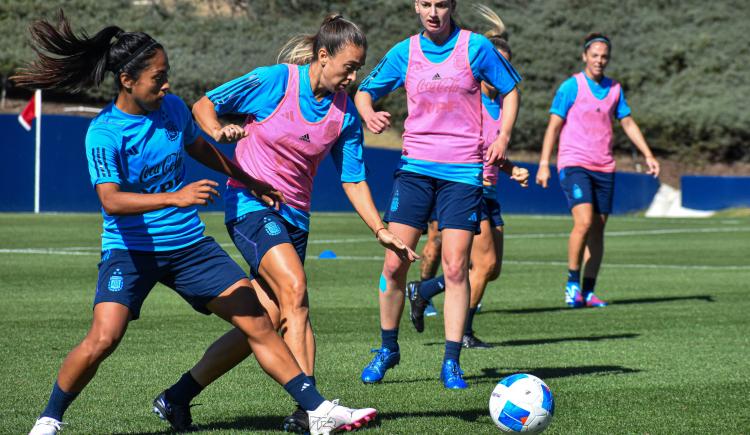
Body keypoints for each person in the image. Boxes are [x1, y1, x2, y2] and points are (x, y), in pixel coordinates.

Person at [14, 12, 376, 435]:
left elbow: (202, 150)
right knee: (103, 339)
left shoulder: (171, 109)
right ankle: (49, 418)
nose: (166, 84)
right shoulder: (105, 132)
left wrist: (250, 180)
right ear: (128, 81)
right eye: (158, 77)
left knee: (259, 320)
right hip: (131, 252)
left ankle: (316, 410)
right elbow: (110, 201)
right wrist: (176, 196)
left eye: (167, 74)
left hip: (189, 248)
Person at [158, 14, 416, 434]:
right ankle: (310, 411)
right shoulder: (275, 81)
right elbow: (203, 105)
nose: (353, 77)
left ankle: (176, 397)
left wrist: (380, 229)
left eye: (359, 69)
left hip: (296, 218)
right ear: (322, 55)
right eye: (348, 66)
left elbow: (353, 179)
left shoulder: (345, 116)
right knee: (295, 291)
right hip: (250, 206)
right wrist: (218, 130)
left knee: (262, 321)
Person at [355, 0, 521, 389]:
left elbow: (511, 90)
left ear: (452, 7)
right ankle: (387, 349)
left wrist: (503, 135)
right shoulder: (405, 51)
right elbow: (364, 92)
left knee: (454, 267)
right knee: (395, 264)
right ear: (416, 6)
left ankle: (451, 361)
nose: (433, 11)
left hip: (464, 172)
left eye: (441, 4)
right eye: (426, 3)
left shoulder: (476, 47)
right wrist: (369, 114)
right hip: (414, 170)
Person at [407, 4, 529, 349]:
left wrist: (510, 167)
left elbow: (491, 149)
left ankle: (425, 289)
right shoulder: (470, 100)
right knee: (471, 260)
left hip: (489, 188)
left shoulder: (502, 107)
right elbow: (463, 142)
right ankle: (461, 331)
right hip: (466, 185)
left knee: (490, 268)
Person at [535, 33, 660, 308]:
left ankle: (588, 291)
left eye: (604, 56)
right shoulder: (571, 87)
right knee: (584, 222)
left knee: (598, 229)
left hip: (604, 165)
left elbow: (627, 123)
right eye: (595, 55)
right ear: (585, 56)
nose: (599, 60)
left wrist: (648, 154)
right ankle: (571, 284)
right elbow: (553, 126)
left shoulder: (615, 89)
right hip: (574, 162)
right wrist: (544, 164)